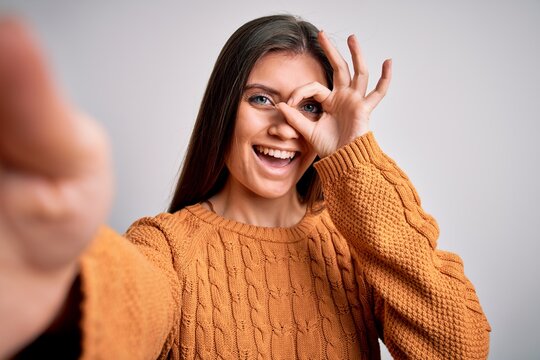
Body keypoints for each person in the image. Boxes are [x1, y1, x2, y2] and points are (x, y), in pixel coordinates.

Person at [0, 14, 490, 359]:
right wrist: (59, 287)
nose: (286, 126)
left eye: (310, 108)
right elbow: (125, 305)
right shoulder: (168, 247)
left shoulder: (354, 244)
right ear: (224, 111)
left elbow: (459, 349)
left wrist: (353, 156)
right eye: (261, 99)